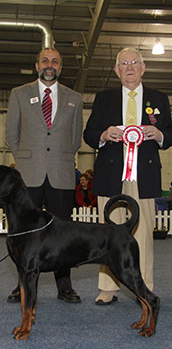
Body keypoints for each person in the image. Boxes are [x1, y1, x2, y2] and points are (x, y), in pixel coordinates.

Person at [84, 47, 172, 305]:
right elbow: (89, 134)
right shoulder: (103, 98)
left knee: (143, 232)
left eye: (134, 62)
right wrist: (103, 134)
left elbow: (170, 133)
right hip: (110, 174)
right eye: (124, 64)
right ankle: (108, 288)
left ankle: (143, 288)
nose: (130, 67)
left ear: (143, 68)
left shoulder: (159, 98)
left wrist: (160, 136)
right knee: (108, 234)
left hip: (143, 175)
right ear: (117, 70)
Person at [6, 47, 83, 303]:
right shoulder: (18, 94)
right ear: (37, 65)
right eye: (45, 61)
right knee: (24, 233)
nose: (50, 65)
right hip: (29, 173)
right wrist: (26, 158)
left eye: (55, 62)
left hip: (61, 173)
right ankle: (22, 286)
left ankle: (65, 287)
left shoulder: (75, 98)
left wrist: (57, 157)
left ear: (60, 67)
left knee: (63, 233)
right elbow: (12, 135)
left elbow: (75, 139)